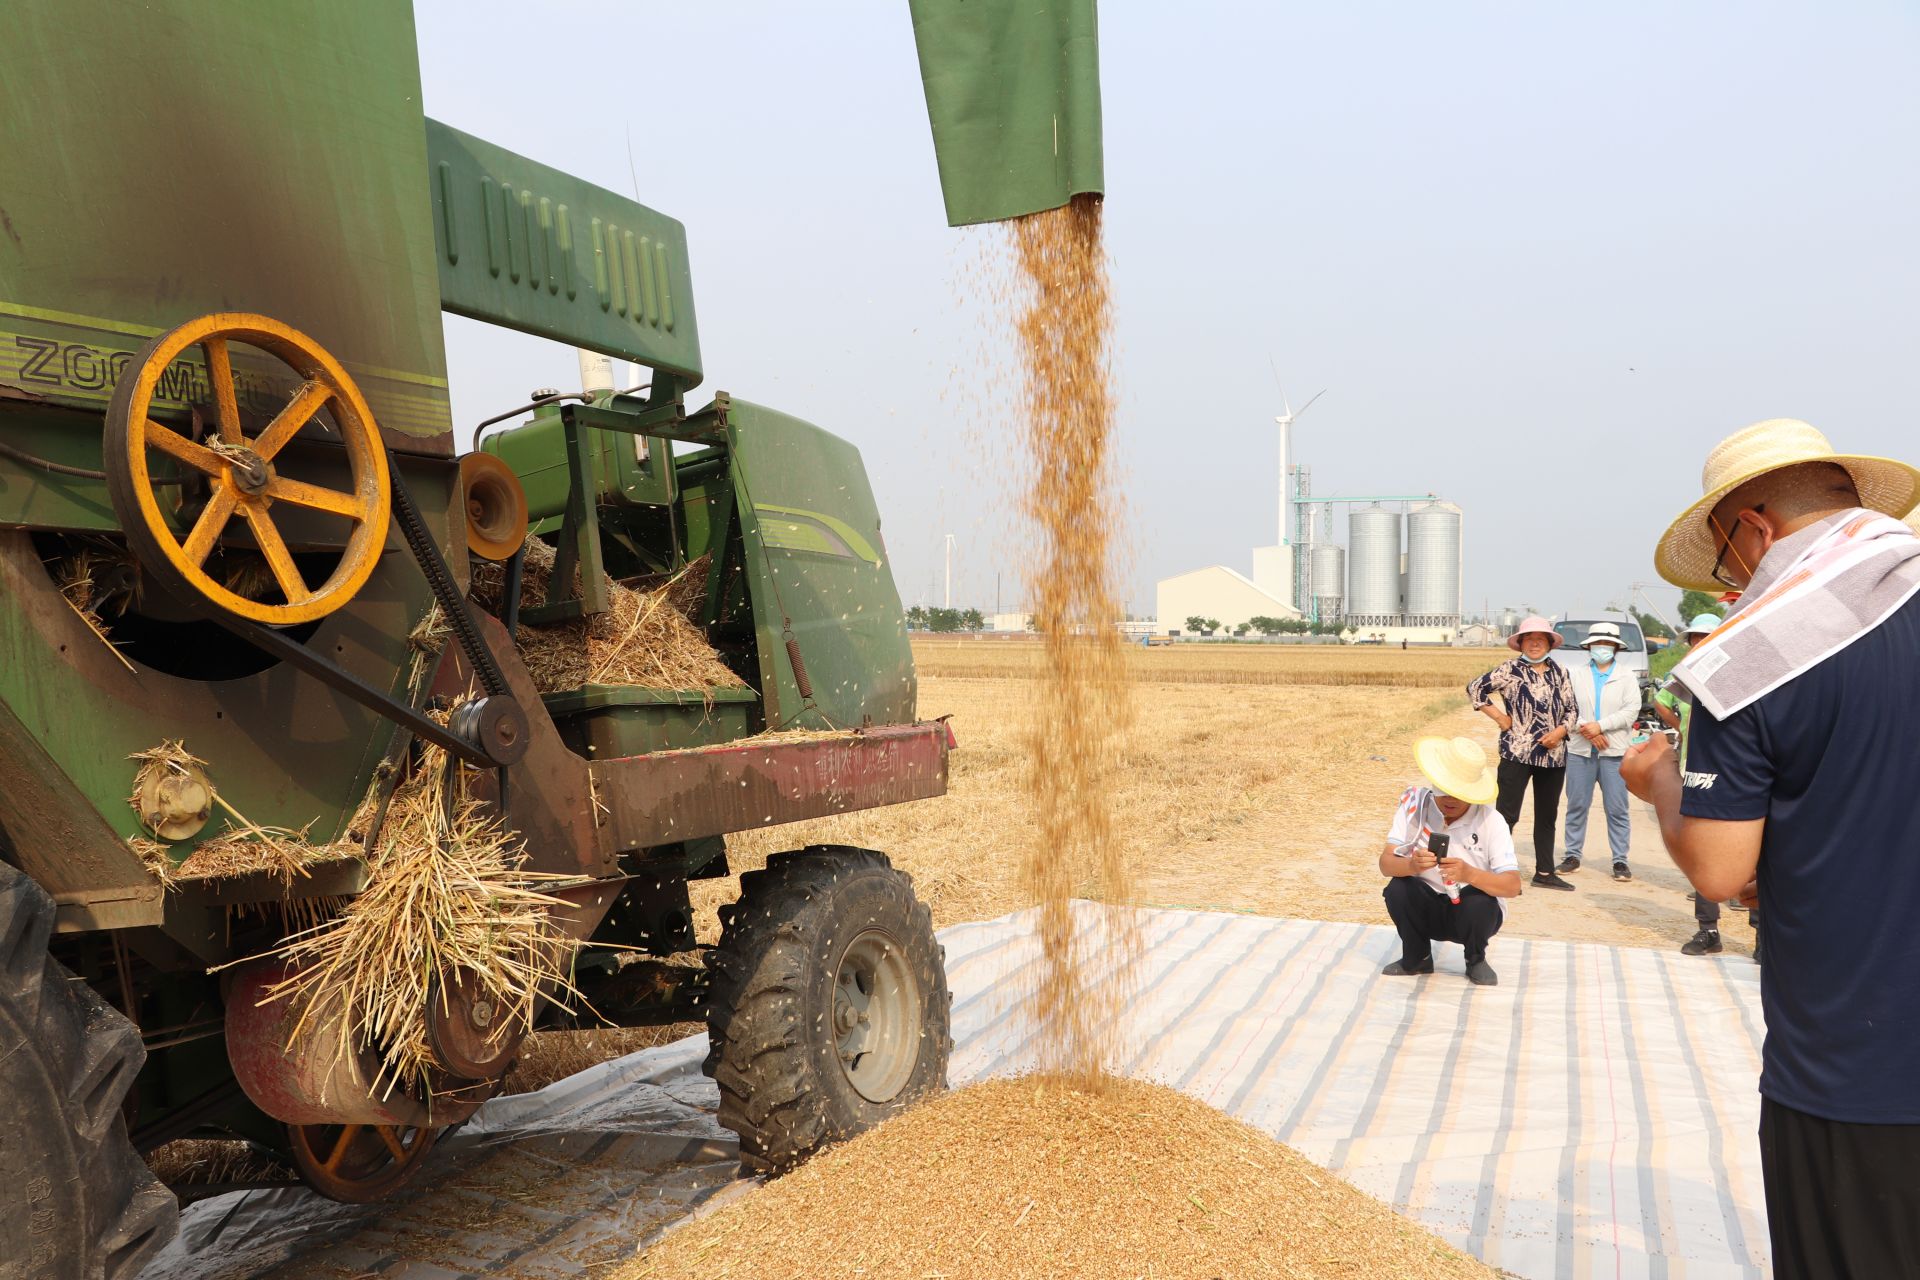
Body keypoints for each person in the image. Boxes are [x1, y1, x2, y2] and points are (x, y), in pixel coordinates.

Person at [1621, 419, 1920, 1276]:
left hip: (1859, 1066)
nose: (1736, 583)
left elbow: (1720, 870)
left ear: (1753, 528)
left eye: (1728, 561)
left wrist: (1659, 781)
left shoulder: (1752, 656)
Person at [1377, 736, 1521, 985]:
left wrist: (1469, 874)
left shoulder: (1491, 820)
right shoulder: (1415, 808)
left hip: (1468, 909)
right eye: (1444, 789)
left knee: (1480, 902)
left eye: (1458, 792)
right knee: (1398, 889)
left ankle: (1475, 958)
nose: (1450, 799)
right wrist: (1411, 865)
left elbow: (1512, 886)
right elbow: (1385, 864)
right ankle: (1417, 956)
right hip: (1426, 904)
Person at [1653, 612, 1747, 955]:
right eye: (1695, 638)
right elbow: (1661, 701)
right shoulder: (1684, 674)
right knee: (1700, 847)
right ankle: (1708, 930)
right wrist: (1679, 727)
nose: (1699, 643)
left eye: (1705, 637)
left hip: (1737, 769)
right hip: (1695, 767)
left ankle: (1761, 935)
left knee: (1752, 849)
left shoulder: (1738, 672)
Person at [1465, 616, 1580, 890]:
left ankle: (1544, 873)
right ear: (1521, 644)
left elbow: (1572, 710)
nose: (1535, 643)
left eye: (1540, 639)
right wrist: (1500, 718)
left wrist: (1559, 732)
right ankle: (1494, 871)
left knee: (1547, 816)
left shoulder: (1560, 672)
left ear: (1550, 643)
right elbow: (1475, 689)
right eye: (1529, 639)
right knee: (1506, 815)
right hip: (1516, 753)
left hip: (1553, 756)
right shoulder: (1510, 670)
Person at [1555, 621, 1638, 881]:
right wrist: (1588, 730)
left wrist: (1600, 726)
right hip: (1580, 750)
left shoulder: (1627, 676)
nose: (1602, 647)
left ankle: (1620, 860)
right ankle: (1572, 855)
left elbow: (1631, 710)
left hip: (1614, 752)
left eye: (1607, 643)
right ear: (1589, 646)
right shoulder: (1574, 674)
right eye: (1597, 643)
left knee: (1617, 807)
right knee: (1577, 804)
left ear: (1616, 647)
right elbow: (1565, 707)